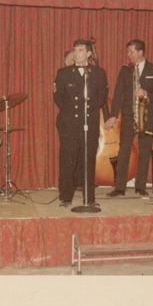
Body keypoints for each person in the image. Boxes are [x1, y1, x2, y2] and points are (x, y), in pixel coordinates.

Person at [104, 39, 153, 197]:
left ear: (140, 52)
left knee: (144, 151)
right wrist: (112, 115)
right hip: (129, 115)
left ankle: (140, 186)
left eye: (131, 52)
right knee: (123, 150)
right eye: (128, 52)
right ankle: (120, 187)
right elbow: (118, 94)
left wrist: (146, 93)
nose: (128, 55)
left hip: (147, 116)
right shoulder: (125, 70)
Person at [53, 40, 108, 207]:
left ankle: (89, 198)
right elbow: (59, 98)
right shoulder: (63, 73)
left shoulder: (98, 73)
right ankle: (65, 197)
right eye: (75, 50)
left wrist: (86, 111)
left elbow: (101, 98)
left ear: (89, 54)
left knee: (88, 160)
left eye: (80, 50)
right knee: (68, 160)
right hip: (69, 123)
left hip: (89, 123)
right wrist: (74, 114)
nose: (76, 53)